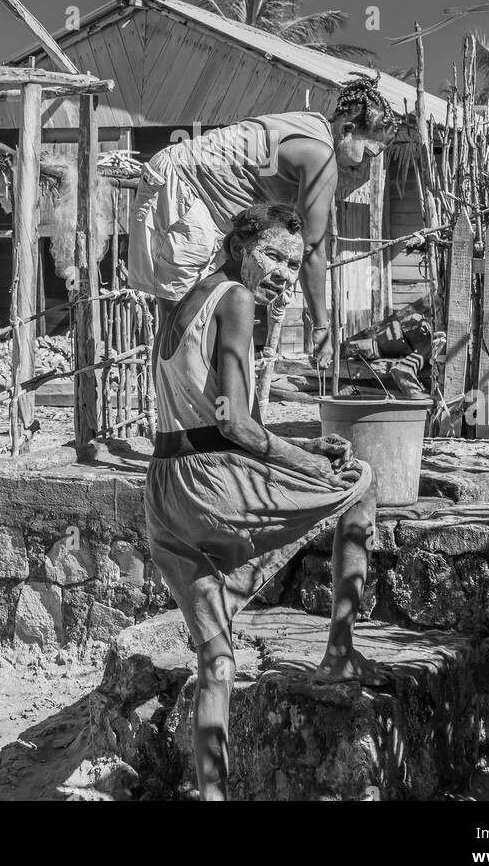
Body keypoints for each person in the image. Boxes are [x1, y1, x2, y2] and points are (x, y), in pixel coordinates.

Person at [144, 201, 384, 802]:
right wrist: (310, 461)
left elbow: (208, 414)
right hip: (210, 484)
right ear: (239, 245)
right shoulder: (235, 300)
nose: (281, 272)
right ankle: (340, 653)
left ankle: (212, 796)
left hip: (163, 489)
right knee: (361, 481)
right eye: (272, 255)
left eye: (292, 264)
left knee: (216, 658)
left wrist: (298, 446)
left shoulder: (180, 301)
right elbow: (236, 426)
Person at [127, 76, 398, 369]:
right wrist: (321, 329)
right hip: (182, 189)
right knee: (179, 319)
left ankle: (197, 404)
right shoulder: (321, 156)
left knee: (199, 315)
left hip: (198, 199)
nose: (365, 164)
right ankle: (177, 408)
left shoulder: (310, 125)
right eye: (368, 152)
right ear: (347, 130)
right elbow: (311, 249)